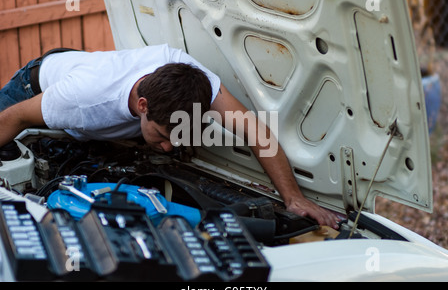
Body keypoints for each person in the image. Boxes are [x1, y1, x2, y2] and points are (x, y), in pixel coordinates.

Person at [0, 44, 340, 229]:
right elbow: (14, 118)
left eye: (179, 138)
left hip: (84, 71)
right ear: (143, 105)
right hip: (32, 89)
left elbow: (255, 130)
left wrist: (293, 198)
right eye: (163, 136)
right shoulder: (82, 100)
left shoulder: (193, 78)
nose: (168, 147)